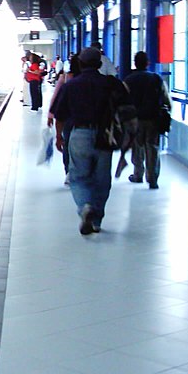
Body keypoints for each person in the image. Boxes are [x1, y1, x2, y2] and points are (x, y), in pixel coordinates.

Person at [52, 46, 132, 235]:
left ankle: (85, 207)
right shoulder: (112, 84)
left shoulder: (71, 86)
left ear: (80, 63)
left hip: (79, 133)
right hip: (106, 135)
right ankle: (96, 220)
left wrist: (59, 136)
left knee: (78, 177)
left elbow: (60, 115)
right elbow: (127, 110)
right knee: (102, 179)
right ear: (99, 63)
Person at [123, 51, 171, 189]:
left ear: (135, 63)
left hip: (134, 119)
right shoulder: (156, 78)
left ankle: (138, 174)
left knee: (137, 147)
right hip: (153, 118)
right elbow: (166, 98)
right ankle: (152, 178)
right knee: (152, 147)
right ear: (147, 63)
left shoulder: (129, 80)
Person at [48, 54, 81, 183]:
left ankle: (69, 172)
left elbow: (57, 101)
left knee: (68, 145)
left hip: (69, 120)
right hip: (89, 123)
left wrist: (57, 135)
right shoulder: (100, 82)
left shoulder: (67, 82)